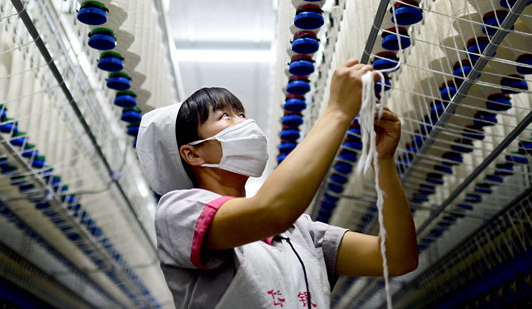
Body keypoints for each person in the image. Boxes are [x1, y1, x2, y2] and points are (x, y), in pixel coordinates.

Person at [136, 58, 418, 308]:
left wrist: (383, 162)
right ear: (192, 153)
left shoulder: (301, 232)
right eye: (225, 116)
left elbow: (397, 258)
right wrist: (337, 112)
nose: (244, 123)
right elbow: (272, 211)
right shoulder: (178, 212)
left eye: (242, 114)